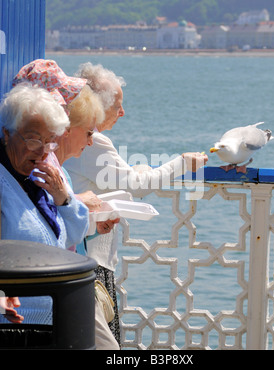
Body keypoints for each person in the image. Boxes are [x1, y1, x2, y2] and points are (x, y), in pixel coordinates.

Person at [64, 62, 209, 347]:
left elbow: (121, 176)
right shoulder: (95, 142)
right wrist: (183, 163)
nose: (122, 112)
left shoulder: (77, 138)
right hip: (90, 259)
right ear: (97, 105)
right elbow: (136, 184)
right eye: (117, 104)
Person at [12, 59, 120, 350]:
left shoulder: (46, 166)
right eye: (35, 138)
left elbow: (61, 234)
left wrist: (69, 202)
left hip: (59, 299)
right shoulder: (29, 171)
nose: (46, 147)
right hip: (31, 316)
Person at [0, 84, 89, 325]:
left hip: (54, 320)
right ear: (7, 134)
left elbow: (74, 236)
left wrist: (65, 199)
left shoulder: (42, 175)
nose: (42, 151)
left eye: (49, 142)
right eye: (33, 140)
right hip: (15, 326)